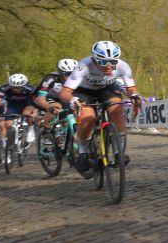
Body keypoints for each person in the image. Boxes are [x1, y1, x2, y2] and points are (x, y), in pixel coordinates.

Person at [59, 41, 142, 172]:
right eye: (104, 63)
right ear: (95, 60)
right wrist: (72, 99)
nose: (109, 67)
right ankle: (83, 152)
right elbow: (65, 92)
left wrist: (135, 95)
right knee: (88, 118)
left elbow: (131, 88)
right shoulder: (84, 66)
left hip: (107, 88)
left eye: (113, 62)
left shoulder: (123, 66)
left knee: (116, 108)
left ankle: (118, 151)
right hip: (83, 91)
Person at [0, 74, 37, 156]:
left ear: (24, 85)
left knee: (26, 113)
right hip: (12, 106)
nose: (16, 89)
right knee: (8, 125)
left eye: (18, 87)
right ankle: (9, 145)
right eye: (13, 87)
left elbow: (37, 101)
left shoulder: (30, 89)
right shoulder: (5, 88)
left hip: (27, 104)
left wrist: (35, 111)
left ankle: (30, 129)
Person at [34, 58, 78, 125]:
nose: (71, 76)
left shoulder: (79, 79)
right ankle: (46, 126)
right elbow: (40, 98)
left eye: (74, 73)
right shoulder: (51, 78)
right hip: (49, 98)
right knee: (56, 106)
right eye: (68, 74)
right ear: (61, 73)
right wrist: (49, 107)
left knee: (69, 120)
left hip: (64, 99)